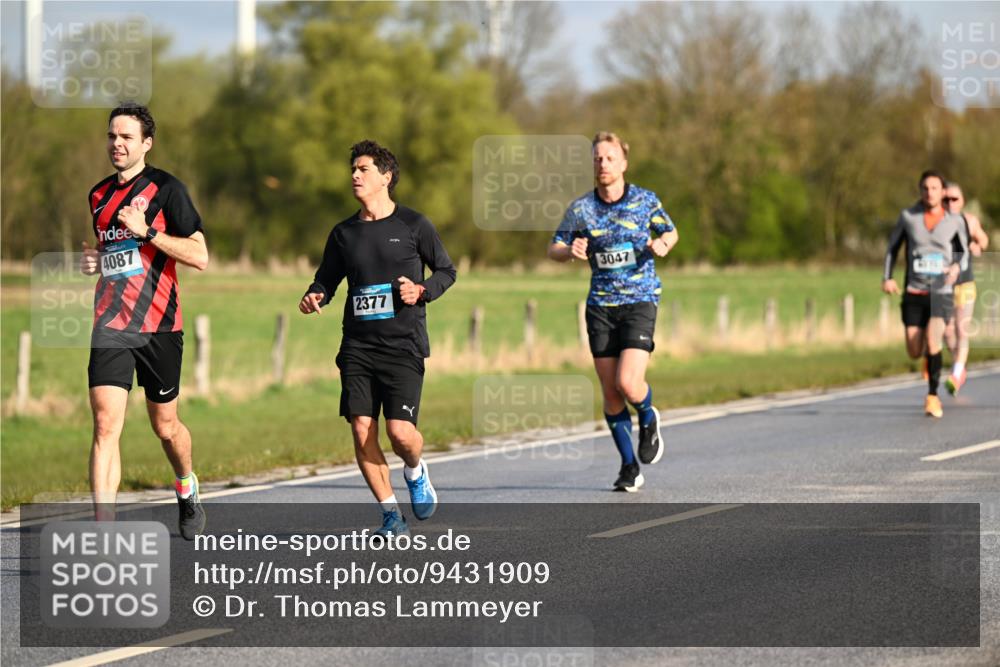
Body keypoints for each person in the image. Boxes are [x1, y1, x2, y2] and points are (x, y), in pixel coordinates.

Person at [299, 140, 456, 537]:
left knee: (401, 434)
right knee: (360, 428)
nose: (354, 175)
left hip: (403, 344)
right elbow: (327, 278)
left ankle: (416, 471)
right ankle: (390, 513)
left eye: (363, 169)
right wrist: (316, 293)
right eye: (353, 169)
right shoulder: (344, 233)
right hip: (357, 346)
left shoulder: (414, 225)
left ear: (386, 177)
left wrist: (420, 291)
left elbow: (446, 271)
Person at [79, 102, 209, 538]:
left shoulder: (167, 190)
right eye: (112, 136)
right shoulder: (98, 195)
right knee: (104, 424)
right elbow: (113, 255)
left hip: (161, 326)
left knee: (165, 426)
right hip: (112, 323)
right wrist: (95, 260)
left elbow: (200, 256)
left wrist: (148, 232)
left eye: (126, 137)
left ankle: (186, 487)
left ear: (146, 144)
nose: (117, 144)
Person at [548, 132, 678, 492]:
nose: (602, 164)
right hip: (601, 307)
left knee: (628, 383)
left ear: (623, 163)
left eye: (609, 158)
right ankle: (628, 467)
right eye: (596, 159)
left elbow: (670, 231)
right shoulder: (581, 209)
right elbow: (554, 247)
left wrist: (663, 243)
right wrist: (568, 250)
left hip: (639, 300)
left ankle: (649, 416)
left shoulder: (644, 200)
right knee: (610, 393)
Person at [882, 170, 965, 418]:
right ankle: (928, 359)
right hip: (914, 291)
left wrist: (955, 268)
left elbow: (963, 252)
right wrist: (886, 278)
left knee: (933, 340)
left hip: (941, 291)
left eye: (935, 188)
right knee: (914, 349)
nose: (930, 193)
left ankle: (932, 397)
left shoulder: (954, 221)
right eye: (926, 188)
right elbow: (892, 248)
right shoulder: (909, 217)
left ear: (943, 192)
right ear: (920, 191)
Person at [943, 182, 990, 395]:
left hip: (964, 283)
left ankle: (957, 371)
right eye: (946, 199)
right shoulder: (936, 222)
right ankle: (958, 366)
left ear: (962, 201)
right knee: (947, 331)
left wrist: (977, 246)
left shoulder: (969, 221)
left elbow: (984, 240)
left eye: (954, 199)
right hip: (943, 285)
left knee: (961, 328)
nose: (950, 202)